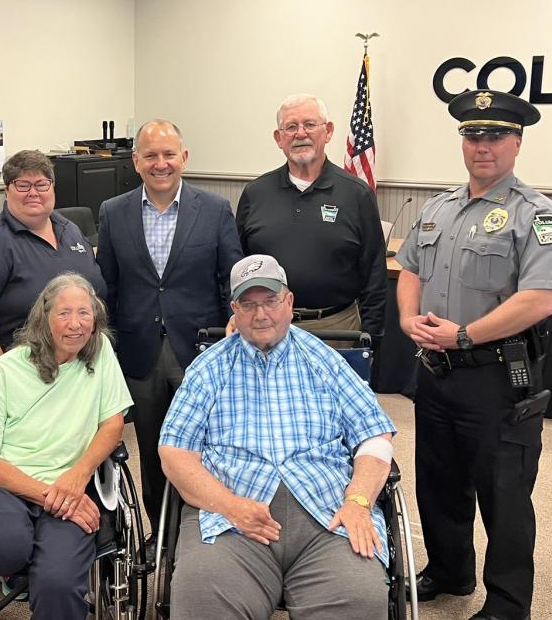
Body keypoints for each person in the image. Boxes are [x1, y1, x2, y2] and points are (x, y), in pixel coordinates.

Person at [395, 89, 552, 620]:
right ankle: (450, 570)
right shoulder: (438, 208)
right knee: (438, 481)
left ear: (516, 143)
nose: (483, 146)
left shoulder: (536, 215)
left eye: (495, 136)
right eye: (473, 135)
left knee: (505, 493)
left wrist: (467, 335)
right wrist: (407, 319)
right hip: (436, 373)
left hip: (497, 377)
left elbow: (540, 299)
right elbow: (409, 268)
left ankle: (507, 602)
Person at [159, 254, 396, 620]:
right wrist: (229, 505)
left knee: (358, 597)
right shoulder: (208, 369)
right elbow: (175, 452)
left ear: (289, 302)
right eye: (248, 304)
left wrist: (359, 501)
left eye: (270, 300)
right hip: (232, 520)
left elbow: (375, 436)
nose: (261, 314)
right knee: (202, 598)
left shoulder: (326, 361)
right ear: (234, 309)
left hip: (329, 517)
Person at [0, 273, 132, 620]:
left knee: (59, 582)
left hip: (67, 484)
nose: (76, 324)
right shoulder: (5, 370)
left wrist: (78, 477)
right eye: (64, 313)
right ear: (43, 318)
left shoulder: (100, 354)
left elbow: (113, 425)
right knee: (7, 549)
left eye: (84, 313)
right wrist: (54, 496)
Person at [96, 119, 243, 533]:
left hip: (199, 349)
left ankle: (202, 529)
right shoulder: (113, 212)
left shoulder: (214, 209)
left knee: (205, 445)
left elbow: (231, 278)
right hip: (139, 352)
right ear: (136, 161)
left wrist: (234, 327)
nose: (160, 163)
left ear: (184, 157)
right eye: (150, 155)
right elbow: (107, 286)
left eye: (168, 154)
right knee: (152, 446)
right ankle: (161, 534)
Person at [235, 94, 387, 343]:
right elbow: (237, 263)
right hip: (265, 326)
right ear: (279, 138)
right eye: (291, 127)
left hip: (336, 329)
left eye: (309, 124)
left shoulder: (357, 194)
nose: (300, 133)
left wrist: (370, 341)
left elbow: (375, 276)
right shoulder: (255, 193)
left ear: (328, 132)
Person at [0, 150, 105, 366]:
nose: (33, 193)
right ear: (7, 190)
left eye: (42, 184)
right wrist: (3, 372)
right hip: (26, 370)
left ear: (52, 187)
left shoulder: (70, 229)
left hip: (82, 365)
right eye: (23, 185)